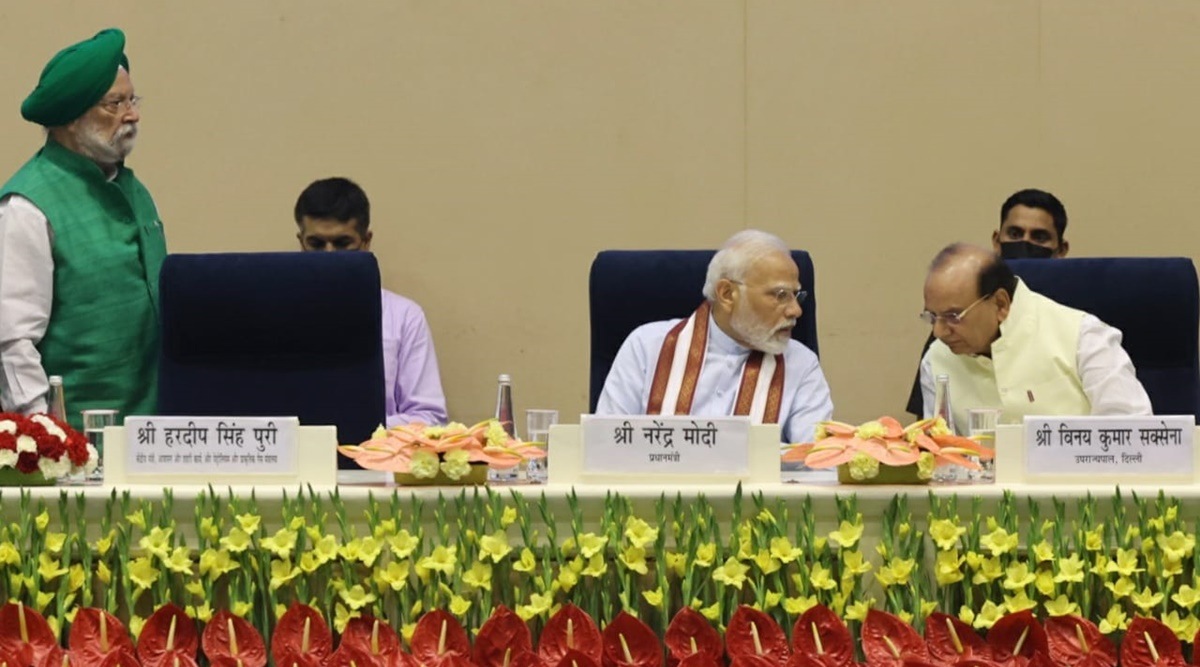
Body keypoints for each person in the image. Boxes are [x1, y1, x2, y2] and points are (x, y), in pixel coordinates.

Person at [0, 28, 166, 428]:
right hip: (73, 444)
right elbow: (10, 341)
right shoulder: (27, 207)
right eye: (115, 103)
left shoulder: (131, 189)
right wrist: (43, 433)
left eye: (132, 99)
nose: (133, 114)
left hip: (152, 431)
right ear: (71, 119)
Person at [596, 230, 833, 444]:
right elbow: (605, 443)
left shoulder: (800, 364)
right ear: (727, 294)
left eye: (796, 295)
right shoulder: (646, 346)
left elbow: (816, 462)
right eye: (780, 295)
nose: (795, 310)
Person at [918, 243, 1151, 429]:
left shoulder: (1083, 337)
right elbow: (939, 463)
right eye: (932, 317)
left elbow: (1133, 439)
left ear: (1000, 304)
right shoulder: (936, 360)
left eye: (954, 316)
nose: (939, 332)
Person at [294, 177, 448, 426]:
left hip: (376, 460)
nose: (330, 256)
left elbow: (430, 418)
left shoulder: (403, 316)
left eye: (343, 243)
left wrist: (358, 428)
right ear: (301, 243)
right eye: (317, 244)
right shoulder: (276, 315)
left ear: (366, 242)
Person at [905, 188, 1069, 418]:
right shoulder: (947, 339)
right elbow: (931, 435)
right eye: (1014, 233)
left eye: (1039, 237)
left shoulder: (1076, 333)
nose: (1024, 244)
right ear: (997, 240)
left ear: (1061, 250)